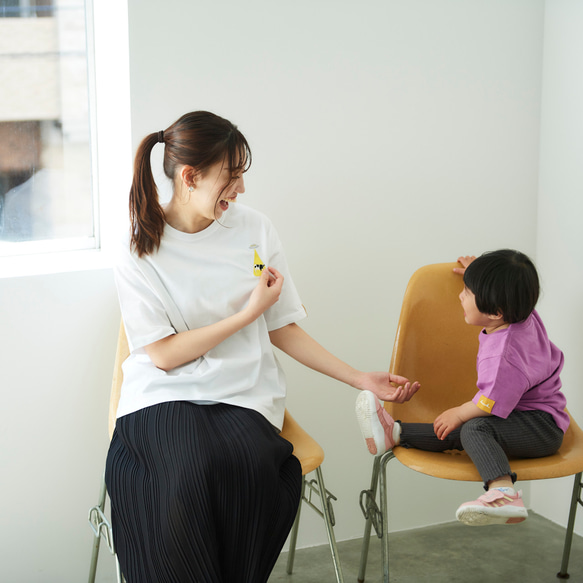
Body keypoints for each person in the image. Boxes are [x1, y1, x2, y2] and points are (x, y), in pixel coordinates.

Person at [105, 110, 420, 583]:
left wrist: (358, 377)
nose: (241, 189)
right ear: (190, 177)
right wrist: (244, 315)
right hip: (164, 395)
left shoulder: (254, 231)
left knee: (245, 472)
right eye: (231, 177)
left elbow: (281, 326)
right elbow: (166, 355)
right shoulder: (140, 248)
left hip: (241, 394)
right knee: (182, 477)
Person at [355, 250, 569, 526]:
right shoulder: (523, 314)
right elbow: (512, 287)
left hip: (541, 427)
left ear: (495, 311)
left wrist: (459, 411)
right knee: (469, 429)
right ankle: (394, 433)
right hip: (526, 416)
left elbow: (488, 403)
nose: (460, 296)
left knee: (474, 426)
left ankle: (504, 493)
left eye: (468, 292)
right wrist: (477, 275)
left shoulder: (503, 357)